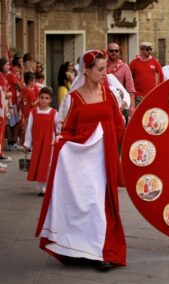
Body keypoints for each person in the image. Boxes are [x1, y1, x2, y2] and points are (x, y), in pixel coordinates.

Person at [35, 50, 126, 271]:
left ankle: (107, 252)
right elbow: (67, 131)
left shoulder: (109, 95)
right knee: (85, 206)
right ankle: (83, 249)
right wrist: (61, 146)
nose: (106, 73)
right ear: (86, 71)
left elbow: (119, 128)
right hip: (83, 165)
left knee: (102, 206)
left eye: (106, 68)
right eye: (101, 69)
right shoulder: (73, 99)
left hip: (104, 162)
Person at [23, 87, 58, 196]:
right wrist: (27, 143)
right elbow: (29, 128)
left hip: (49, 143)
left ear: (50, 100)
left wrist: (58, 140)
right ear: (38, 98)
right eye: (41, 97)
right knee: (38, 162)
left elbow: (58, 129)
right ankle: (40, 185)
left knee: (47, 164)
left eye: (46, 98)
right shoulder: (34, 112)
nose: (43, 100)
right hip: (38, 143)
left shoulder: (54, 113)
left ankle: (46, 186)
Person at [107, 42, 136, 117]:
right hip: (105, 102)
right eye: (111, 51)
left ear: (119, 52)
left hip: (121, 104)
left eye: (116, 51)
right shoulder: (102, 66)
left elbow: (130, 88)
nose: (114, 53)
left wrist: (132, 106)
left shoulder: (124, 67)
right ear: (107, 52)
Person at [0, 58, 13, 171]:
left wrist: (9, 107)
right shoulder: (0, 76)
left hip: (3, 108)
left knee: (1, 133)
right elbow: (4, 93)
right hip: (0, 108)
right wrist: (9, 94)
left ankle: (0, 154)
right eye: (7, 64)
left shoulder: (4, 76)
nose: (9, 66)